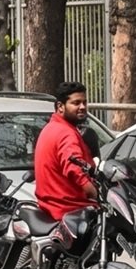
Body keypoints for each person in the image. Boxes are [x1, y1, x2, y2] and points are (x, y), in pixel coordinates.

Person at [34, 81, 98, 221]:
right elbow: (75, 168)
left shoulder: (51, 128)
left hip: (50, 210)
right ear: (60, 106)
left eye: (84, 102)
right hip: (70, 211)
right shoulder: (66, 133)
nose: (82, 107)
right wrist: (94, 193)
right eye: (76, 103)